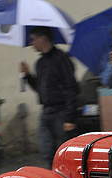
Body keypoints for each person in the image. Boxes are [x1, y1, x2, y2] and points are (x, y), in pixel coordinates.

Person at [19, 26, 79, 166]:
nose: (31, 43)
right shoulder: (40, 63)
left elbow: (71, 88)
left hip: (62, 112)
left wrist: (69, 118)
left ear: (43, 38)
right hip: (46, 111)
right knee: (46, 151)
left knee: (63, 153)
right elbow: (40, 89)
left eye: (33, 39)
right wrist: (27, 76)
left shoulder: (61, 58)